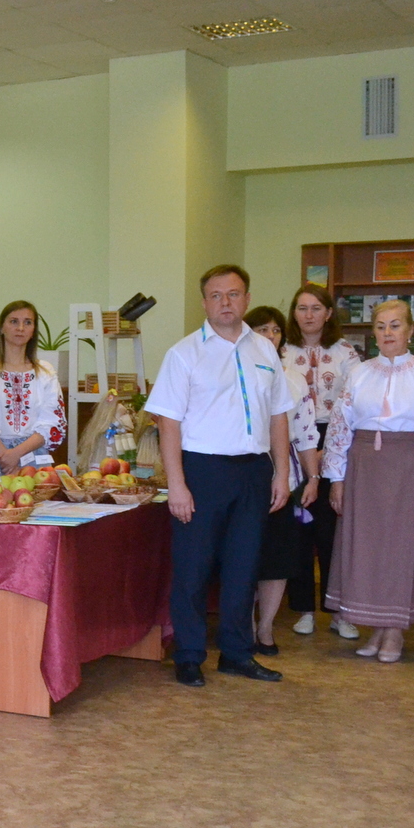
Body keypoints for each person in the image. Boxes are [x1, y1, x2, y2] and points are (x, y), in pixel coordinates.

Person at [145, 264, 292, 687]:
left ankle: (237, 653)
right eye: (216, 295)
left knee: (244, 568)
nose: (225, 302)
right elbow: (168, 424)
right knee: (193, 568)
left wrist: (281, 474)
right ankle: (190, 655)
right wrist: (177, 484)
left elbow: (278, 416)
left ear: (247, 299)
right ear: (204, 302)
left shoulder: (265, 351)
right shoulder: (183, 354)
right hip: (202, 470)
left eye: (233, 294)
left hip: (254, 471)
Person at [321, 299, 414, 664]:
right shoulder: (359, 373)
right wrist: (337, 478)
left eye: (395, 325)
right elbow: (341, 426)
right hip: (364, 468)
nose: (388, 333)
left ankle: (395, 630)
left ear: (411, 330)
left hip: (409, 467)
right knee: (368, 548)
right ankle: (376, 627)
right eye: (381, 326)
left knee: (401, 549)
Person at [282, 286, 361, 640]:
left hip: (335, 440)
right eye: (302, 308)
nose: (309, 315)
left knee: (331, 532)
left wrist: (325, 450)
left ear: (329, 313)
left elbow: (352, 405)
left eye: (316, 308)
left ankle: (338, 611)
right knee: (299, 528)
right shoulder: (282, 352)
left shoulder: (345, 352)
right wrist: (302, 450)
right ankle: (303, 609)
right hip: (290, 442)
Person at [246, 306, 320, 656]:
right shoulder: (236, 372)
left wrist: (312, 478)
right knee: (244, 555)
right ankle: (243, 627)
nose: (270, 336)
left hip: (284, 475)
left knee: (277, 557)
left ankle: (265, 627)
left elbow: (305, 434)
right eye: (262, 329)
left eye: (276, 330)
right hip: (246, 471)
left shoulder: (293, 379)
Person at [0, 300, 67, 475]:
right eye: (14, 321)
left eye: (27, 322)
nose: (20, 328)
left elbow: (54, 422)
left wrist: (16, 454)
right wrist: (6, 456)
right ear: (1, 328)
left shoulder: (46, 371)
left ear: (33, 330)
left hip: (34, 456)